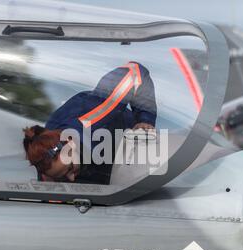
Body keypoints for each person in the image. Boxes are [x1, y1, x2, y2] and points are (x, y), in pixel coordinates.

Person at [23, 62, 157, 184]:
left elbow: (134, 73)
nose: (71, 178)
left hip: (131, 157)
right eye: (61, 177)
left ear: (69, 144)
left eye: (70, 169)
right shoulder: (44, 155)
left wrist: (144, 120)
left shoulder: (95, 114)